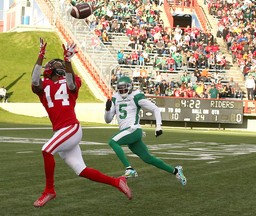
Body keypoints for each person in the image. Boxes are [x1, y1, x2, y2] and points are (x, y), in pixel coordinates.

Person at [31, 38, 132, 207]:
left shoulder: (71, 79)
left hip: (70, 128)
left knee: (46, 150)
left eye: (50, 65)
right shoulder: (45, 85)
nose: (47, 67)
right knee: (81, 170)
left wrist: (68, 61)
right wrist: (40, 55)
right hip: (61, 132)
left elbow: (70, 84)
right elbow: (34, 80)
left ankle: (49, 190)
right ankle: (118, 182)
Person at [104, 76, 187, 186]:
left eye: (125, 89)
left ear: (130, 87)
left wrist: (158, 126)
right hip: (128, 133)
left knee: (112, 142)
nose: (122, 91)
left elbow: (155, 109)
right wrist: (107, 109)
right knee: (148, 158)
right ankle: (176, 171)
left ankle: (129, 169)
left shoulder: (136, 96)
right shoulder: (115, 97)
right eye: (120, 89)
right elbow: (108, 120)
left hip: (133, 129)